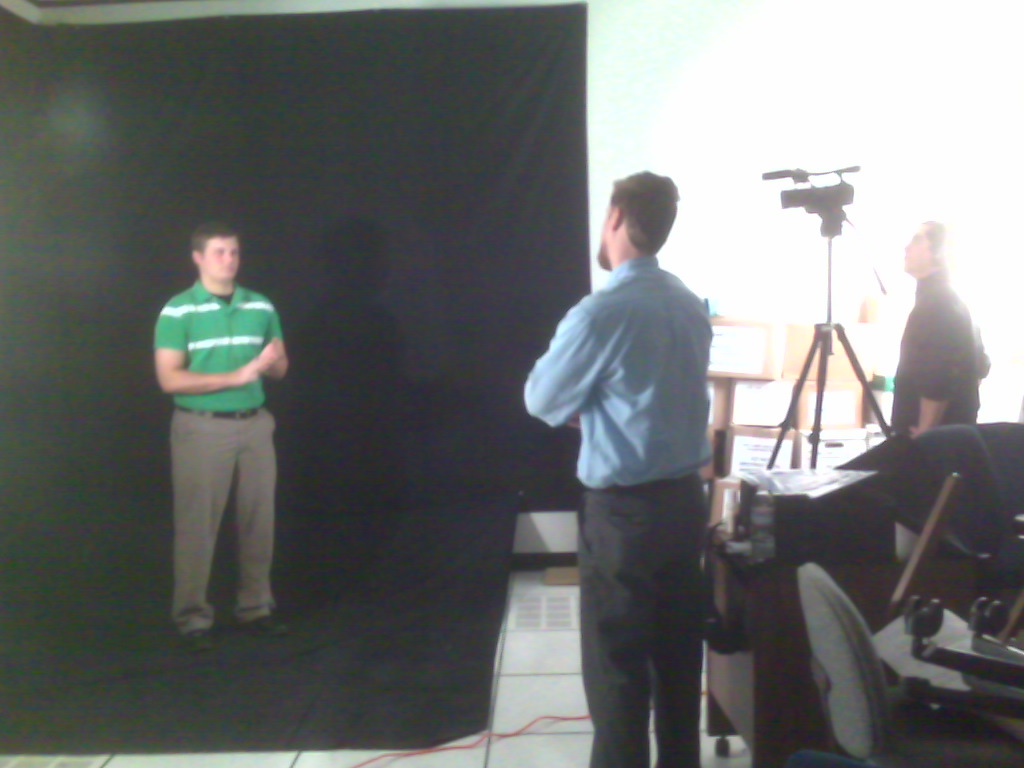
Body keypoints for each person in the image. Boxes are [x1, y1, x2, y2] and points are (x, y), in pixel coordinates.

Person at [524, 172, 712, 768]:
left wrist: (596, 412)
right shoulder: (689, 303)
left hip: (625, 519)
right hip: (686, 507)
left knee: (618, 674)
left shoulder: (602, 312)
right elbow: (664, 400)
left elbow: (540, 399)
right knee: (680, 666)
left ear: (615, 219)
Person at [154, 222, 289, 652]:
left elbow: (281, 368)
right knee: (198, 526)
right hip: (202, 428)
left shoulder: (261, 306)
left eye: (233, 252)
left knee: (258, 522)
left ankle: (255, 608)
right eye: (218, 252)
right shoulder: (178, 311)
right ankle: (193, 618)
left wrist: (269, 364)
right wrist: (236, 374)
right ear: (198, 257)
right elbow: (169, 378)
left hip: (254, 425)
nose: (228, 260)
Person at [892, 221, 987, 437]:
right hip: (953, 432)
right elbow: (980, 366)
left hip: (930, 436)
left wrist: (927, 430)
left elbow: (937, 374)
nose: (906, 248)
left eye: (917, 240)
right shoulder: (950, 299)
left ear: (938, 252)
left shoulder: (937, 303)